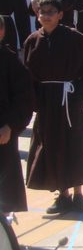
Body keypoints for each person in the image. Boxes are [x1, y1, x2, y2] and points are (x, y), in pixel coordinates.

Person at [24, 0, 83, 213]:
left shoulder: (76, 39)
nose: (45, 16)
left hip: (71, 101)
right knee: (51, 146)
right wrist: (36, 102)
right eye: (42, 12)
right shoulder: (32, 41)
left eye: (50, 12)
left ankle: (78, 194)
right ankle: (62, 194)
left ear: (60, 15)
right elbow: (28, 76)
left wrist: (79, 98)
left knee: (75, 145)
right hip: (47, 104)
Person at [0, 20, 33, 215]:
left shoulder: (9, 60)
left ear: (2, 32)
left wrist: (10, 125)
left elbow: (24, 97)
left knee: (3, 189)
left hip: (2, 131)